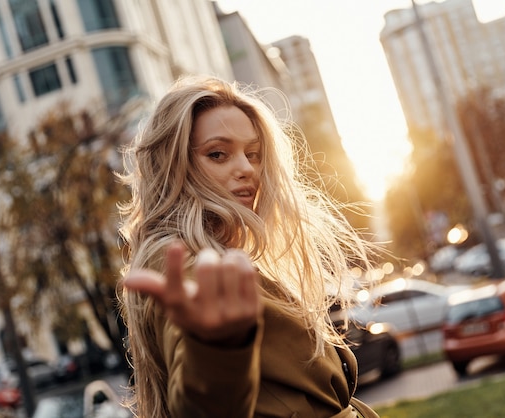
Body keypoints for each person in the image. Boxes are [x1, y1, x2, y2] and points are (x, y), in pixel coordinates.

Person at [118, 75, 379, 418]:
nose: (246, 168)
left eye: (252, 153)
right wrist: (217, 350)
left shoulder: (221, 256)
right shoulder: (182, 263)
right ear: (173, 166)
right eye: (218, 154)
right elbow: (203, 406)